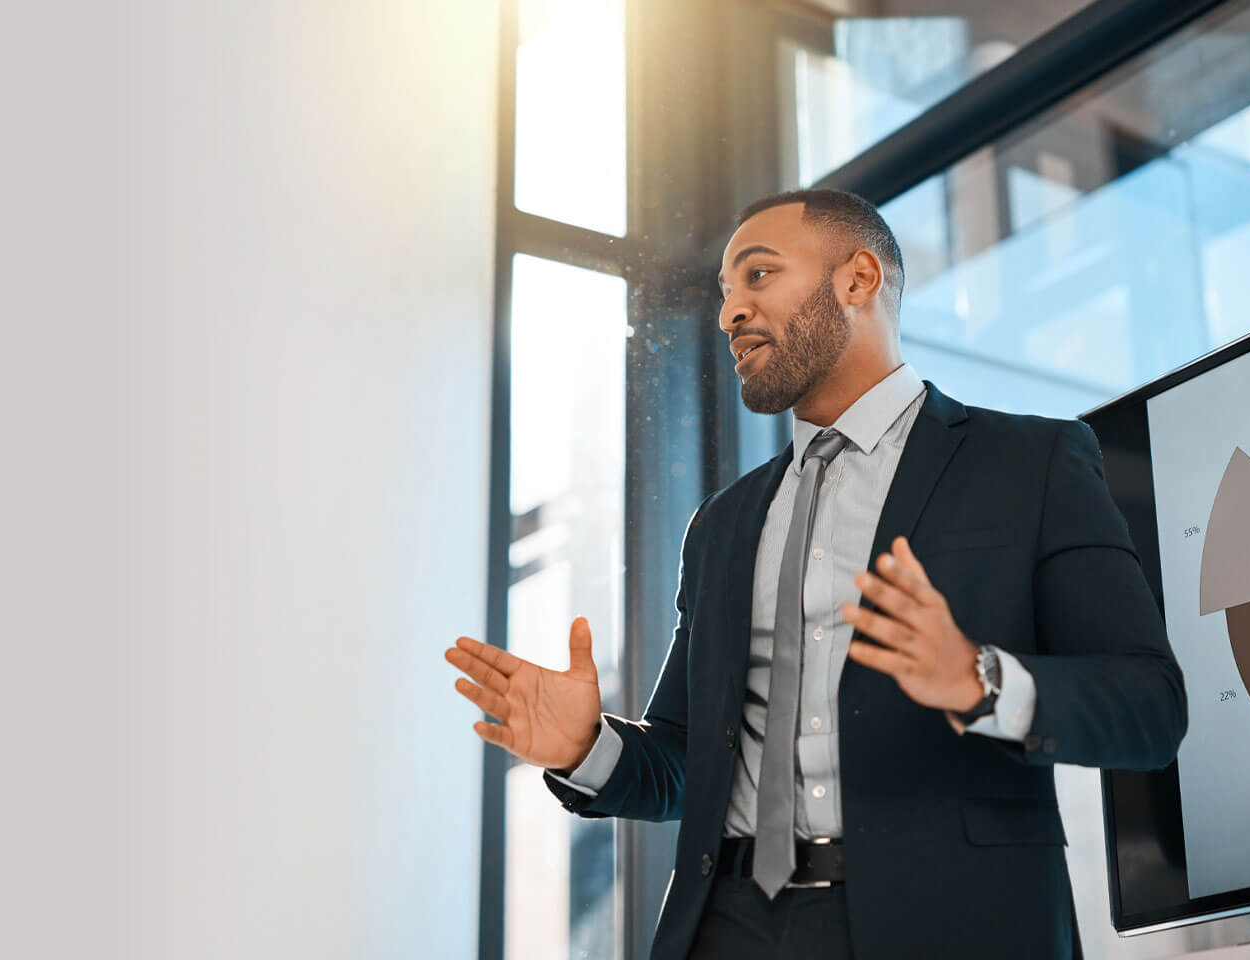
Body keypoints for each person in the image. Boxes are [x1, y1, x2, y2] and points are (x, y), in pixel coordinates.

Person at [443, 189, 1187, 960]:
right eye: (724, 293)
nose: (730, 312)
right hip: (727, 926)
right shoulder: (722, 525)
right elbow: (685, 761)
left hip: (950, 923)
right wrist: (588, 747)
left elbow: (1149, 710)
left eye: (757, 276)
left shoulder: (1034, 465)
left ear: (858, 279)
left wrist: (978, 678)